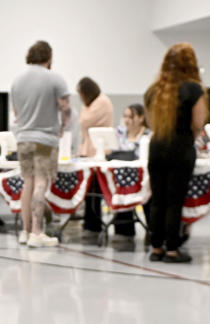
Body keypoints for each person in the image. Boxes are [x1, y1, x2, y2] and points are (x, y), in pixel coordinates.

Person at [144, 43, 207, 263]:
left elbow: (151, 123)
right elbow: (198, 123)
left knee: (157, 200)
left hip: (157, 146)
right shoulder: (193, 89)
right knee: (174, 201)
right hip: (180, 147)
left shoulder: (154, 91)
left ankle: (156, 247)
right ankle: (172, 249)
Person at [10, 40, 70, 248]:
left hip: (23, 138)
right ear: (49, 57)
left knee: (27, 182)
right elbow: (65, 107)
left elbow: (16, 113)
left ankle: (25, 232)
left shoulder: (17, 81)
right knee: (41, 182)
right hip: (45, 138)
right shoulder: (54, 78)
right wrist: (63, 127)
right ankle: (37, 231)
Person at [75, 77, 115, 247]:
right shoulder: (91, 104)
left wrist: (83, 112)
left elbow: (84, 120)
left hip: (99, 151)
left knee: (95, 190)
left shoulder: (102, 102)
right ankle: (90, 224)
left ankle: (93, 225)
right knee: (88, 191)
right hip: (87, 149)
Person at [109, 104, 151, 250]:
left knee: (148, 190)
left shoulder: (148, 135)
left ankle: (152, 231)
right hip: (121, 175)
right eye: (125, 116)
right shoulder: (119, 132)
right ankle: (123, 231)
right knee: (120, 186)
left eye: (131, 117)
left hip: (143, 176)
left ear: (141, 118)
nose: (127, 120)